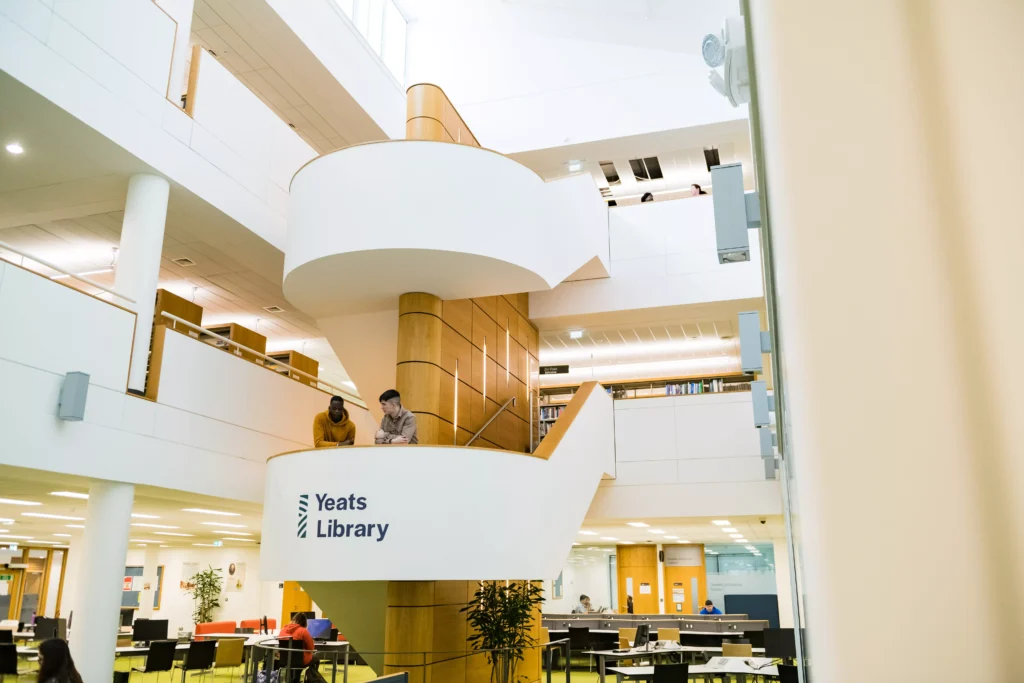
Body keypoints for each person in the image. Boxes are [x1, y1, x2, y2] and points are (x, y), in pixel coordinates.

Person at [278, 613, 319, 681]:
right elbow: (311, 648)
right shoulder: (303, 631)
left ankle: (293, 679)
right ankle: (311, 680)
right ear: (304, 622)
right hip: (300, 660)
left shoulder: (283, 630)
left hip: (285, 660)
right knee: (315, 659)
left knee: (293, 661)